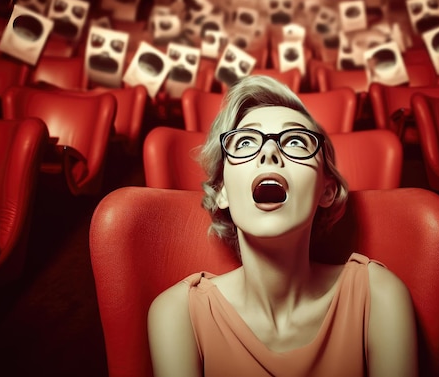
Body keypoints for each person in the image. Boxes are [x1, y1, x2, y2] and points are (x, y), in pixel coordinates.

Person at [147, 75, 418, 377]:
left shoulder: (380, 295)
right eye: (246, 141)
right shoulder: (177, 314)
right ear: (222, 191)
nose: (269, 152)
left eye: (296, 141)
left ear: (326, 191)